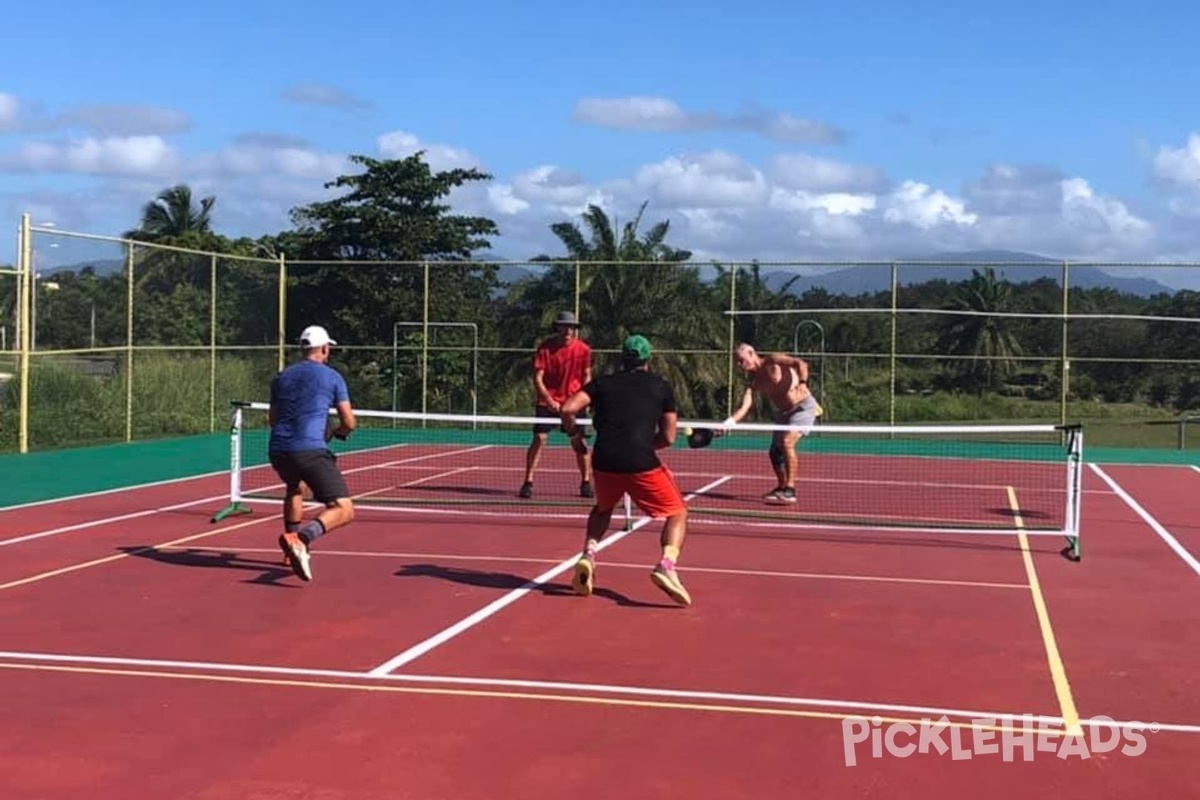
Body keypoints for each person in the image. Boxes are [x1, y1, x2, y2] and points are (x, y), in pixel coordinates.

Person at [559, 334, 692, 606]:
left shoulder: (602, 383)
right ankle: (666, 565)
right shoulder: (661, 386)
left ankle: (588, 555)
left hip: (604, 460)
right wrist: (643, 447)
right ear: (648, 360)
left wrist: (575, 437)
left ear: (622, 357)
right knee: (677, 512)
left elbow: (567, 408)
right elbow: (668, 437)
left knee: (603, 509)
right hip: (641, 461)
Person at [268, 324, 357, 581]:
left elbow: (273, 419)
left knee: (295, 488)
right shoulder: (332, 377)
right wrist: (339, 432)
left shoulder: (281, 377)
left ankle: (289, 550)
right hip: (309, 450)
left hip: (278, 450)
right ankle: (301, 539)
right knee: (343, 509)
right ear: (325, 349)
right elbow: (349, 422)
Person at [725, 342, 822, 504]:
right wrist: (728, 423)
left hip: (802, 407)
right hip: (784, 414)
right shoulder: (755, 383)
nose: (740, 364)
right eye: (737, 362)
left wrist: (803, 383)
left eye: (741, 360)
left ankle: (790, 491)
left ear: (752, 353)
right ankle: (782, 486)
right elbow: (744, 407)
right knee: (774, 453)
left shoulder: (773, 360)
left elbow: (801, 363)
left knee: (787, 442)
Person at [519, 310, 593, 500]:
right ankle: (528, 482)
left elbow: (586, 376)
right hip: (548, 403)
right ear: (558, 327)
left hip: (574, 403)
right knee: (539, 438)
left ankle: (586, 482)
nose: (567, 330)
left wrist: (583, 399)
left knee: (580, 442)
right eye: (564, 326)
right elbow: (538, 378)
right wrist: (549, 400)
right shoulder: (545, 349)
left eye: (571, 326)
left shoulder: (583, 350)